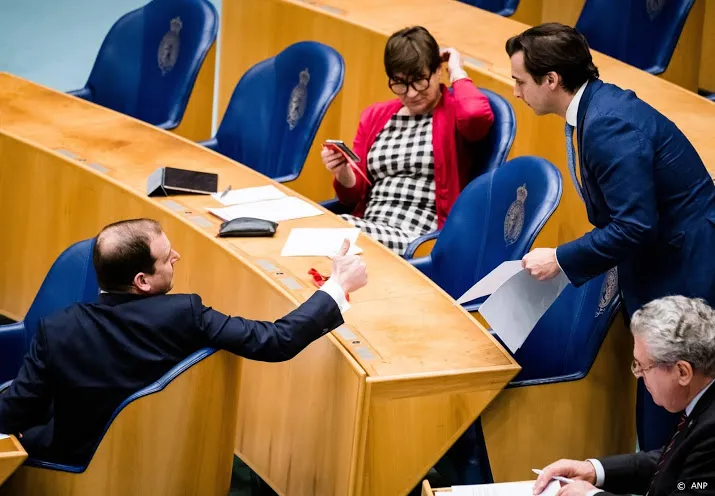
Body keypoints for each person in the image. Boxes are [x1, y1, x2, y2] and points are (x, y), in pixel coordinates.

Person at [0, 218, 367, 465]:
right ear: (142, 280)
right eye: (166, 257)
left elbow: (15, 412)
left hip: (67, 463)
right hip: (164, 461)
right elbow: (276, 340)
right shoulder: (183, 315)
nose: (176, 256)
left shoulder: (56, 328)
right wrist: (337, 286)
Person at [506, 23, 715, 451]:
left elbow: (635, 226)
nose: (515, 92)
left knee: (674, 399)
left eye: (520, 81)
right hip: (666, 255)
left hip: (686, 266)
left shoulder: (608, 125)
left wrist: (561, 259)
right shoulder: (597, 107)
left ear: (552, 80)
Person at [322, 26, 494, 255]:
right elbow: (352, 197)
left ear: (438, 72)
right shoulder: (375, 115)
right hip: (371, 225)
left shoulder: (453, 112)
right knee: (318, 228)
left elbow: (476, 116)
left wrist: (457, 70)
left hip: (420, 237)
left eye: (420, 80)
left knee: (336, 233)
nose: (411, 93)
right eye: (400, 83)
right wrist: (342, 171)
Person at [532, 296, 715, 496]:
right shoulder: (703, 402)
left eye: (642, 366)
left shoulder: (711, 430)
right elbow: (672, 467)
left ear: (682, 372)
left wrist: (591, 495)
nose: (638, 374)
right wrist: (594, 471)